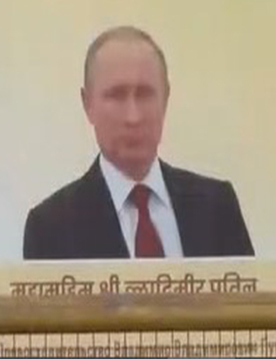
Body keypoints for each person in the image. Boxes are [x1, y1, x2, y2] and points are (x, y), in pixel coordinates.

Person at [22, 25, 254, 260]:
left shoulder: (216, 208)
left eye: (144, 94)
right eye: (116, 95)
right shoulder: (51, 228)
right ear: (87, 103)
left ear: (165, 99)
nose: (133, 116)